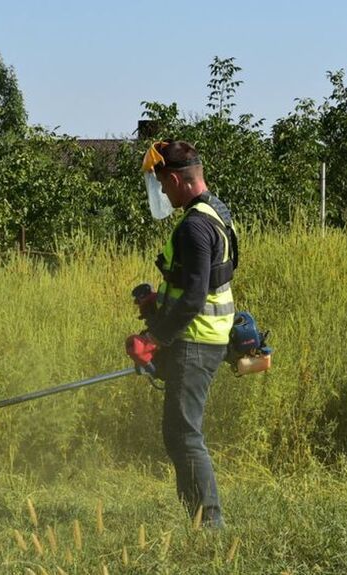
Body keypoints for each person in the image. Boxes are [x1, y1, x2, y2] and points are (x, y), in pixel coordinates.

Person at [126, 140, 238, 529]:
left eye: (162, 185)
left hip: (195, 340)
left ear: (175, 179)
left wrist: (154, 338)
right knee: (181, 432)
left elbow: (193, 299)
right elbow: (202, 283)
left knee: (183, 434)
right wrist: (163, 298)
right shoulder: (217, 212)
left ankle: (209, 526)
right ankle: (201, 519)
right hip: (205, 337)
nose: (162, 194)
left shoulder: (193, 226)